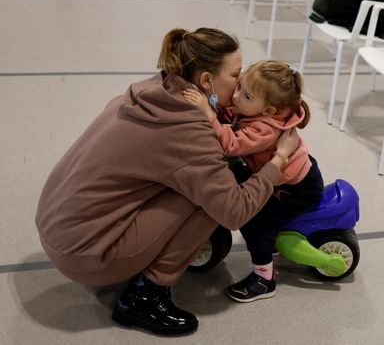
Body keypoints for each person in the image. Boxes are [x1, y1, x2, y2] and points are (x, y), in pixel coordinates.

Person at [35, 28, 298, 336]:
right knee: (209, 196)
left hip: (55, 222)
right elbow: (234, 211)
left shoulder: (154, 89)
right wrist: (278, 160)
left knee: (196, 180)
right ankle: (145, 297)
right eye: (236, 75)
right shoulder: (187, 130)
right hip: (85, 254)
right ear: (205, 81)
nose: (241, 84)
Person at [183, 60, 323, 302]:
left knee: (256, 223)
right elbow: (233, 118)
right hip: (288, 175)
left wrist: (207, 113)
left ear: (268, 110)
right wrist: (214, 104)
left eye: (245, 94)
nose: (236, 96)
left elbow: (232, 144)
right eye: (238, 87)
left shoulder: (266, 129)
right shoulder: (258, 110)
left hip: (296, 188)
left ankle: (264, 279)